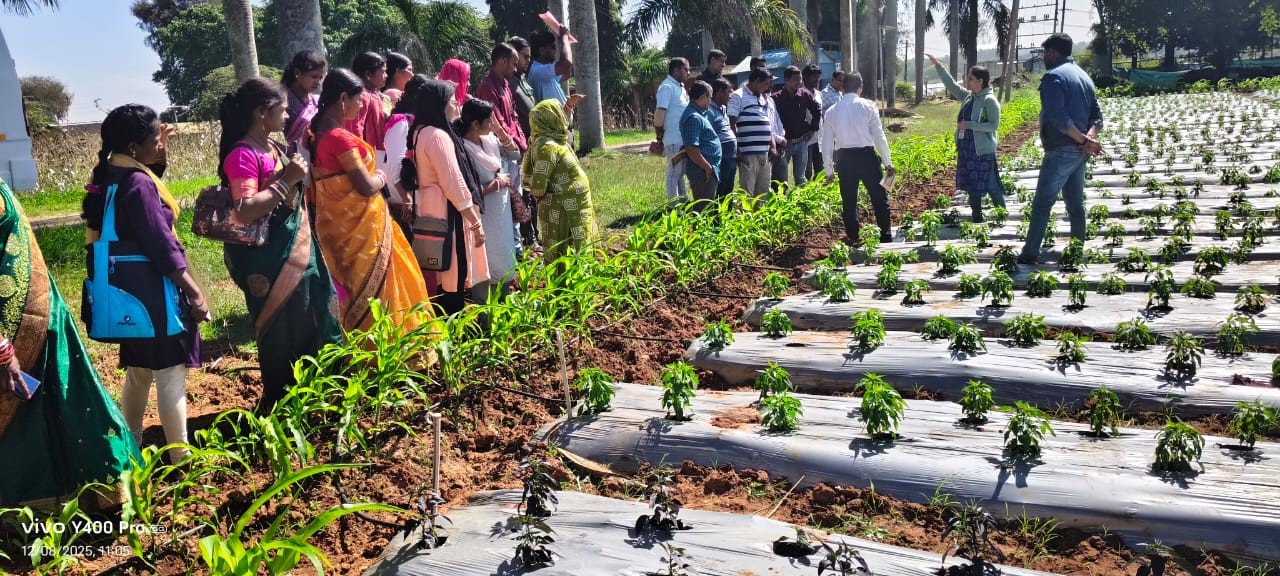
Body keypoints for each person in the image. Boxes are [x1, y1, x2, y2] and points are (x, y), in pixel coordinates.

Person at [0, 177, 140, 508]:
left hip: (42, 317)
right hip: (14, 335)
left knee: (64, 402)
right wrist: (4, 352)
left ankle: (86, 496)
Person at [82, 104, 209, 464]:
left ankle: (131, 443)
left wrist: (158, 151)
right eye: (155, 139)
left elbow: (142, 196)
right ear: (134, 147)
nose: (160, 143)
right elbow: (159, 242)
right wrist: (192, 288)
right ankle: (181, 459)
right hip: (152, 296)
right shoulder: (138, 184)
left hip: (127, 299)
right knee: (170, 374)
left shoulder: (110, 175)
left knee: (139, 373)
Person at [217, 78, 344, 413]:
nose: (289, 115)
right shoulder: (243, 155)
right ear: (262, 113)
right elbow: (244, 211)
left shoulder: (271, 148)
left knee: (309, 320)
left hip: (297, 251)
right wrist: (286, 180)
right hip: (270, 262)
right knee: (282, 331)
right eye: (283, 109)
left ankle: (314, 397)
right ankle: (282, 406)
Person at [309, 68, 430, 332]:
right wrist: (381, 177)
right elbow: (364, 186)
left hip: (337, 230)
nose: (362, 104)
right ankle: (390, 347)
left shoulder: (316, 133)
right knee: (382, 286)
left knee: (352, 286)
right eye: (358, 99)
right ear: (343, 99)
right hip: (362, 230)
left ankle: (361, 348)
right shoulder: (339, 139)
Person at [1019, 33, 1104, 264]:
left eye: (1045, 52)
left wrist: (1083, 141)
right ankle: (1077, 248)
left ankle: (1029, 253)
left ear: (1053, 53)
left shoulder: (1053, 78)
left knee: (1042, 204)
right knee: (1075, 204)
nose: (1044, 57)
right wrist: (1089, 139)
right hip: (1079, 152)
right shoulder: (1084, 76)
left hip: (1062, 149)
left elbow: (1059, 119)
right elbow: (1097, 116)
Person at [409, 80, 490, 315]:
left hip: (432, 214)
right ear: (440, 104)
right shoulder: (437, 136)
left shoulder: (420, 132)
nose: (456, 103)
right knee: (455, 273)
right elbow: (453, 183)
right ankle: (453, 335)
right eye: (451, 99)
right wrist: (475, 222)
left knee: (443, 275)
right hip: (449, 215)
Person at [928, 54, 1006, 223]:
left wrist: (970, 125)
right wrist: (938, 66)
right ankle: (977, 216)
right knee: (972, 185)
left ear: (980, 81)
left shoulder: (989, 101)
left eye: (970, 78)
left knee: (991, 184)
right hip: (967, 149)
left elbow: (993, 125)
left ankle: (1003, 214)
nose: (967, 81)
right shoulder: (969, 97)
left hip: (982, 150)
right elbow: (951, 85)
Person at [457, 97, 520, 302]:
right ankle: (486, 312)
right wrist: (497, 184)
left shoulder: (490, 141)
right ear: (475, 124)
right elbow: (467, 190)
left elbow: (515, 154)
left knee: (503, 255)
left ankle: (503, 302)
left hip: (500, 213)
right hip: (482, 215)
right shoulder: (464, 150)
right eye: (489, 119)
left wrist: (501, 131)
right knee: (486, 260)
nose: (493, 122)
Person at [821, 73, 896, 246]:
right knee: (879, 197)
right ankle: (885, 235)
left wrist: (829, 170)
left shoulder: (832, 111)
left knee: (849, 200)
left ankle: (854, 237)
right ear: (860, 88)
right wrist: (888, 163)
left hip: (844, 159)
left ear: (842, 87)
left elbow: (826, 144)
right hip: (866, 156)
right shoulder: (868, 106)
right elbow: (879, 136)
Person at [522, 100, 600, 262]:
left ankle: (572, 279)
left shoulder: (550, 142)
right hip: (569, 201)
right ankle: (576, 278)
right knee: (574, 241)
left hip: (568, 201)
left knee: (569, 242)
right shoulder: (551, 142)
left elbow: (538, 185)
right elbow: (540, 184)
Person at [385, 74, 433, 241]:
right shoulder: (402, 122)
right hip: (403, 201)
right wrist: (406, 199)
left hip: (416, 199)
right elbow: (393, 164)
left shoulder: (419, 122)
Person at [508, 36, 541, 248]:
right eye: (525, 56)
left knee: (534, 192)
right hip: (520, 149)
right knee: (525, 195)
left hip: (532, 145)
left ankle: (535, 234)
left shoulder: (522, 79)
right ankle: (529, 238)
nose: (528, 60)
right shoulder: (508, 82)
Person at [729, 68, 779, 196]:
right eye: (765, 84)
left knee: (763, 193)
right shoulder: (738, 95)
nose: (767, 88)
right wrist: (737, 149)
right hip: (748, 153)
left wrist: (773, 147)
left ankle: (759, 216)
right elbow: (731, 124)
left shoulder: (762, 98)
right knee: (747, 193)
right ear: (756, 81)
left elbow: (768, 124)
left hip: (765, 153)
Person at [771, 65, 822, 187]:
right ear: (786, 80)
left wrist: (812, 130)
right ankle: (780, 201)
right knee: (780, 177)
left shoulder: (804, 95)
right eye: (795, 80)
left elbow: (817, 110)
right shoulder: (776, 98)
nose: (798, 82)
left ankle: (801, 201)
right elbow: (771, 120)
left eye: (800, 80)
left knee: (801, 177)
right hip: (784, 144)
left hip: (802, 142)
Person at [679, 80, 723, 207]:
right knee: (703, 208)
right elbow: (691, 148)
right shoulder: (694, 117)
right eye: (710, 97)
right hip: (702, 171)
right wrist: (707, 167)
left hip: (706, 169)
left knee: (708, 206)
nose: (711, 101)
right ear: (703, 97)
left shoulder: (700, 114)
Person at [654, 57, 691, 202]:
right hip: (673, 139)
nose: (688, 73)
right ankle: (673, 205)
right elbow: (659, 114)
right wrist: (659, 138)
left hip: (683, 139)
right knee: (673, 172)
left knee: (680, 172)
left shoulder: (680, 88)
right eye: (686, 69)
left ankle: (683, 201)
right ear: (676, 71)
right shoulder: (667, 87)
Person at [345, 52, 390, 152]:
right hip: (362, 153)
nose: (386, 75)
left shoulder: (374, 94)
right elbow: (354, 128)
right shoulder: (361, 96)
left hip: (373, 152)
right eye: (383, 72)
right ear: (368, 74)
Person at [282, 50, 326, 151]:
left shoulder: (317, 101)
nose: (318, 82)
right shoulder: (282, 100)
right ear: (297, 73)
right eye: (314, 76)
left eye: (320, 77)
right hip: (287, 159)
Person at [528, 27, 573, 105]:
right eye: (553, 47)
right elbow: (566, 64)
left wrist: (564, 43)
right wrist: (564, 40)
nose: (555, 50)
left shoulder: (545, 69)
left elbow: (566, 74)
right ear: (542, 50)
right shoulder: (538, 71)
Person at [710, 78, 738, 198]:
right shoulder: (709, 110)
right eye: (728, 92)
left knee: (729, 187)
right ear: (720, 92)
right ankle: (717, 215)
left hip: (731, 155)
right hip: (721, 155)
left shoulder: (724, 109)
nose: (730, 96)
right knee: (721, 188)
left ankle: (727, 213)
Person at [801, 64, 824, 181]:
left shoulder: (819, 94)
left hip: (819, 137)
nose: (817, 80)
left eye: (818, 77)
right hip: (806, 138)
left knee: (820, 170)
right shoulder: (800, 94)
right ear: (805, 77)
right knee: (807, 171)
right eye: (814, 77)